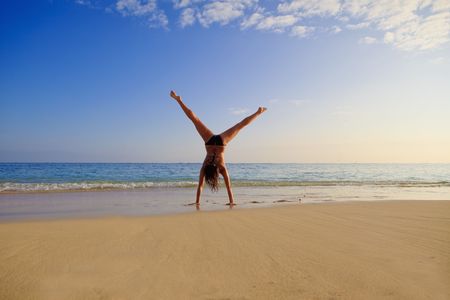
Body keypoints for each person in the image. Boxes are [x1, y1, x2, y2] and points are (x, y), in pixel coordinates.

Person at [169, 90, 267, 206]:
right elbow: (203, 186)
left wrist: (198, 203)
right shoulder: (205, 167)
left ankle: (258, 112)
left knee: (239, 125)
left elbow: (225, 187)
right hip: (210, 142)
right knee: (195, 120)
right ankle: (179, 100)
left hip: (221, 143)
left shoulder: (220, 168)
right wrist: (198, 202)